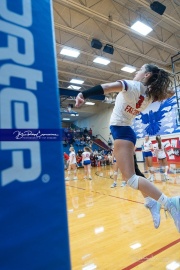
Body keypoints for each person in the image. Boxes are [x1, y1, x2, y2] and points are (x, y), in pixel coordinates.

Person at [75, 63, 180, 232]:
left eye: (139, 70)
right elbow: (167, 93)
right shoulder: (150, 95)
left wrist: (83, 94)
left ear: (146, 75)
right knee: (136, 172)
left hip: (122, 132)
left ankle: (170, 203)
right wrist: (171, 90)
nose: (136, 72)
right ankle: (150, 203)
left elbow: (107, 87)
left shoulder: (131, 85)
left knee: (130, 179)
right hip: (125, 132)